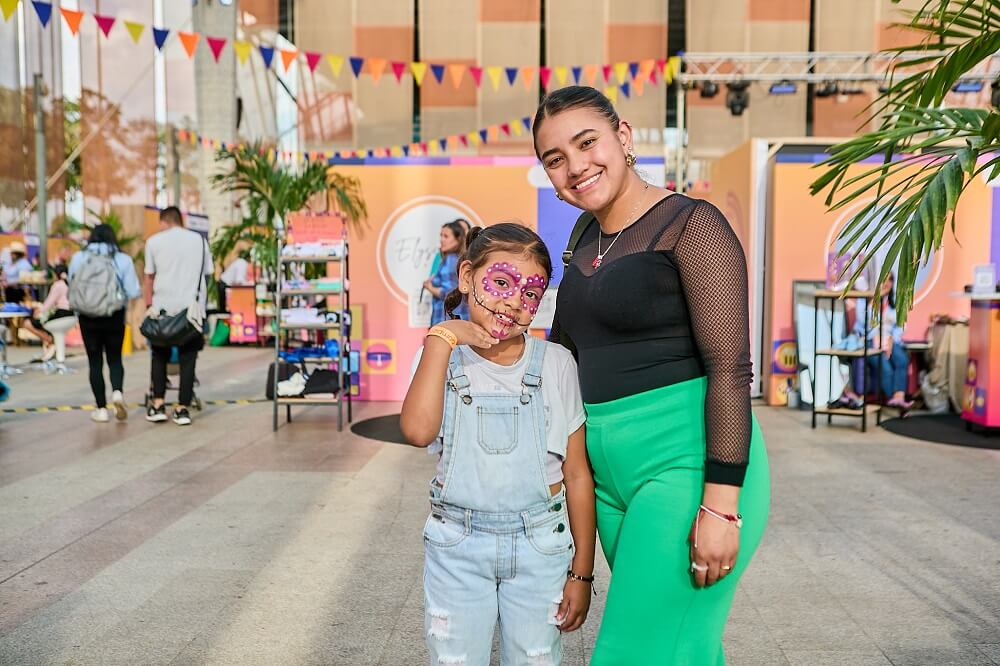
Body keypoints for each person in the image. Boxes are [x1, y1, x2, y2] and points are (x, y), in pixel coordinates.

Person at [532, 86, 771, 663]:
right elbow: (562, 350)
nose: (575, 166)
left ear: (625, 138)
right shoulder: (582, 239)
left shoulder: (691, 225)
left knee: (630, 652)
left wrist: (720, 504)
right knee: (682, 649)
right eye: (555, 159)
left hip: (684, 470)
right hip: (609, 483)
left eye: (586, 143)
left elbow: (730, 368)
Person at [401, 223, 596, 665]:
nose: (514, 302)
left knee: (535, 658)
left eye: (531, 293)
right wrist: (442, 338)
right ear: (467, 277)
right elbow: (416, 431)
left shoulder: (557, 364)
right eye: (503, 283)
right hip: (456, 547)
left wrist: (581, 571)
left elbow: (578, 474)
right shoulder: (440, 356)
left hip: (540, 547)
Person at [143, 206, 213, 426]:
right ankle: (182, 408)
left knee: (159, 355)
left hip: (162, 308)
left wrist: (148, 305)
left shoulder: (153, 242)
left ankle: (158, 404)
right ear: (181, 220)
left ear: (164, 222)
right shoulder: (200, 241)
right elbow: (209, 274)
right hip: (191, 310)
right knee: (189, 357)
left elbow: (149, 277)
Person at [68, 225, 142, 422]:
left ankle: (101, 409)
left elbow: (72, 284)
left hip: (87, 317)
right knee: (115, 359)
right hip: (113, 315)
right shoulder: (122, 259)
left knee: (95, 362)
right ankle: (117, 392)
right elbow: (133, 291)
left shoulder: (79, 257)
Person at [858, 272, 912, 409]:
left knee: (902, 360)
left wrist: (891, 339)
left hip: (889, 339)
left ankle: (899, 397)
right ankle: (894, 399)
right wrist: (876, 337)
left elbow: (901, 324)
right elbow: (861, 323)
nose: (887, 283)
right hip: (870, 339)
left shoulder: (895, 301)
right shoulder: (865, 299)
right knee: (885, 368)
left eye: (890, 280)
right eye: (883, 280)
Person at [21, 264, 75, 362]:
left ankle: (49, 340)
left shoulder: (58, 285)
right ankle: (52, 346)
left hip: (61, 315)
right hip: (71, 316)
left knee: (27, 323)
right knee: (42, 322)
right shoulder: (70, 283)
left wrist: (38, 311)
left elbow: (48, 303)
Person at [423, 221, 465, 326]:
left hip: (445, 322)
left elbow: (449, 293)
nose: (441, 240)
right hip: (450, 321)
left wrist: (429, 287)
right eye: (441, 235)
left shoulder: (451, 259)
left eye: (446, 236)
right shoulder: (455, 259)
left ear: (458, 239)